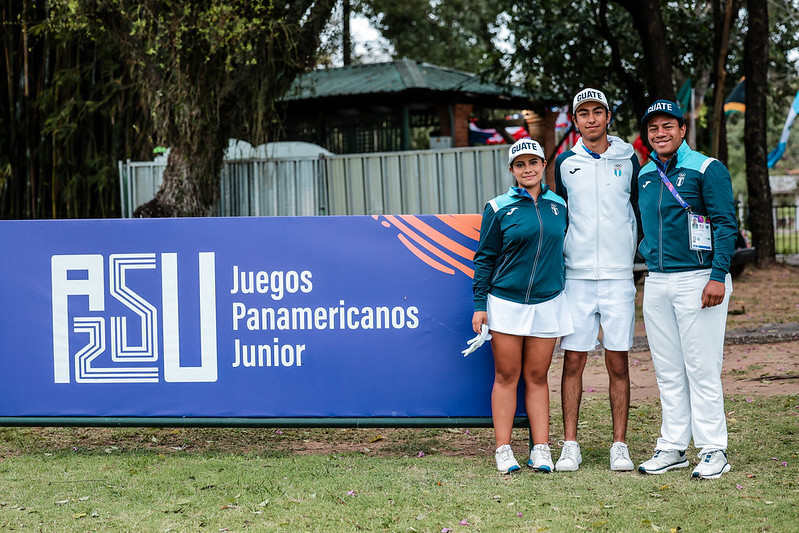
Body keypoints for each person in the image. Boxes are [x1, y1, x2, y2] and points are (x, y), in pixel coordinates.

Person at [636, 99, 737, 479]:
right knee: (668, 370)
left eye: (668, 126)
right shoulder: (646, 174)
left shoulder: (707, 168)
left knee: (702, 366)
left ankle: (713, 448)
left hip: (699, 278)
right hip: (657, 280)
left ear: (682, 130)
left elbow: (725, 224)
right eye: (653, 128)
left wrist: (718, 275)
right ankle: (673, 446)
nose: (660, 133)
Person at [471, 138, 573, 474]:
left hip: (548, 302)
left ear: (543, 165)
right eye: (520, 164)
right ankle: (503, 450)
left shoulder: (559, 205)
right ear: (512, 170)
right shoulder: (498, 207)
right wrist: (480, 303)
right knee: (506, 375)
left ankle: (541, 449)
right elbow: (485, 258)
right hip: (505, 303)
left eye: (533, 163)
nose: (527, 169)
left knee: (537, 376)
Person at [553, 87, 640, 472]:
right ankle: (570, 445)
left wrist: (630, 253)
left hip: (619, 277)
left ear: (608, 117)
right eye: (584, 113)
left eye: (597, 112)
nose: (591, 119)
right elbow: (562, 215)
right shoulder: (564, 162)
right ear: (575, 121)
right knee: (573, 360)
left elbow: (636, 210)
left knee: (618, 361)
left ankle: (619, 445)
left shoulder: (629, 158)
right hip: (577, 278)